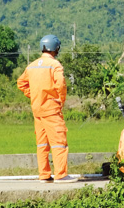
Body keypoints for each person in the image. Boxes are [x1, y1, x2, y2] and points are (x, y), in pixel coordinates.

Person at [17, 35, 75, 183]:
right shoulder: (55, 65)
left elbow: (21, 83)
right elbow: (61, 84)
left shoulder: (32, 65)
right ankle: (61, 175)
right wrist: (60, 100)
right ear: (56, 48)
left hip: (37, 109)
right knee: (58, 141)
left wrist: (34, 95)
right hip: (51, 109)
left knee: (42, 143)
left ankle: (44, 175)